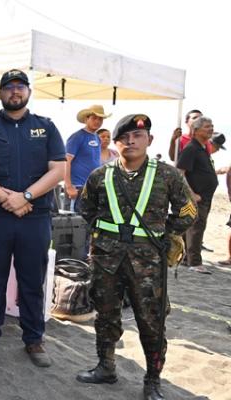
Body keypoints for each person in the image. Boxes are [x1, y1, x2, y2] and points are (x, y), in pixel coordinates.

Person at [77, 114, 196, 400]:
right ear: (115, 143)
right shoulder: (99, 176)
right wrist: (106, 236)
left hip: (148, 264)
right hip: (107, 260)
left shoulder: (167, 175)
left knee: (151, 321)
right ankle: (106, 367)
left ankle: (152, 380)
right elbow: (86, 209)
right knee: (106, 316)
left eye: (137, 136)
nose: (130, 141)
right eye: (123, 137)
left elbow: (188, 212)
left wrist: (162, 234)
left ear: (149, 140)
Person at [0, 69, 66, 367]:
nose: (15, 92)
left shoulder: (45, 128)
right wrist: (6, 199)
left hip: (35, 217)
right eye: (8, 88)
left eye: (20, 87)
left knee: (32, 280)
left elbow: (58, 170)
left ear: (28, 92)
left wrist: (25, 197)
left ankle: (34, 339)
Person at [176, 116, 218, 273]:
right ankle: (194, 262)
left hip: (206, 196)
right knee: (196, 227)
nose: (211, 129)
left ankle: (188, 259)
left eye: (212, 125)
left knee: (196, 226)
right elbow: (180, 173)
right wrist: (191, 193)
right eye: (207, 126)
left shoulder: (202, 148)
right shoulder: (191, 148)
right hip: (197, 197)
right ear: (196, 130)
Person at [65, 105, 111, 211]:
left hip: (93, 187)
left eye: (100, 119)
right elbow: (66, 162)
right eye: (94, 118)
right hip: (78, 187)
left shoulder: (97, 138)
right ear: (86, 119)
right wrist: (69, 186)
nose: (97, 121)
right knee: (77, 223)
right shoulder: (77, 137)